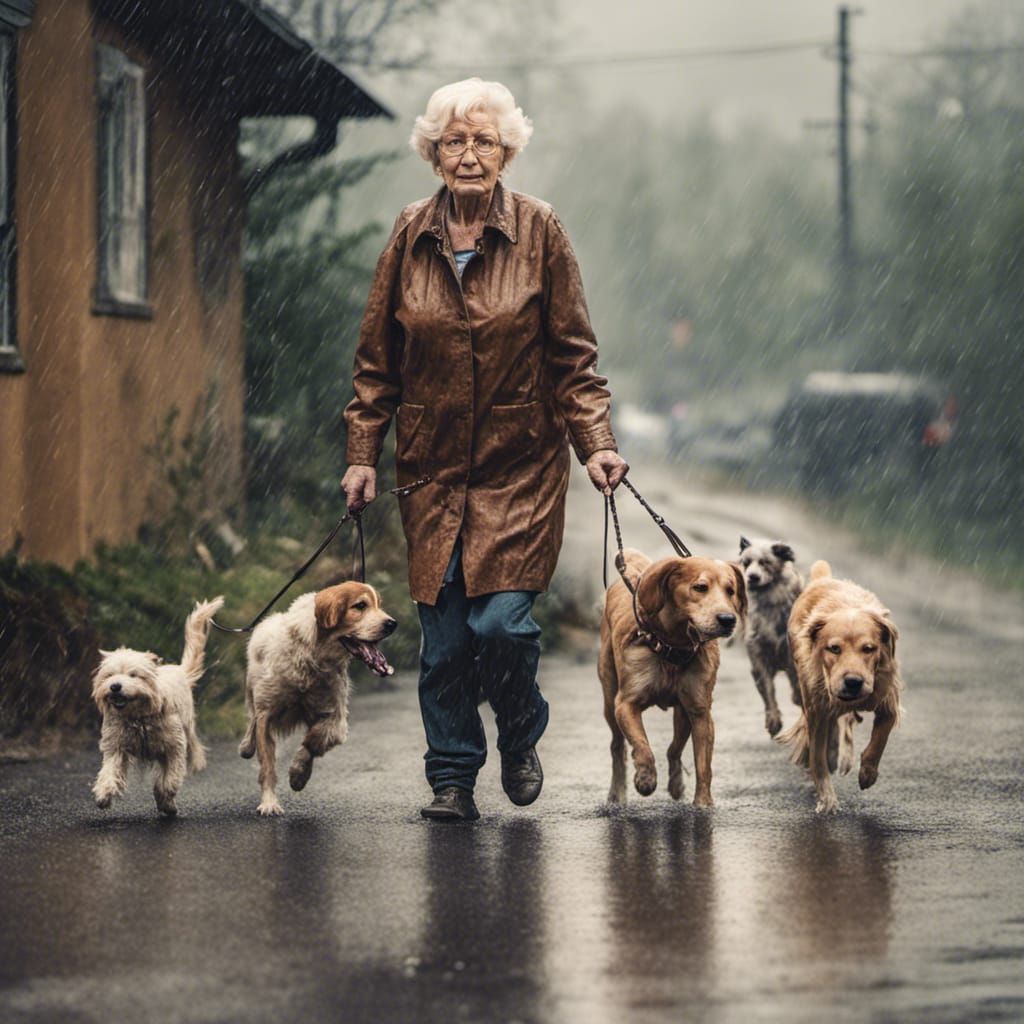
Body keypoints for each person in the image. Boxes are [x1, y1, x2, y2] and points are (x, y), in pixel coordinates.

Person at [341, 78, 627, 822]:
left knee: (500, 627)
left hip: (518, 467)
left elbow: (574, 359)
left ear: (506, 153)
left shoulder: (540, 230)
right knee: (443, 646)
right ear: (433, 154)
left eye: (484, 141)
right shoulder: (409, 233)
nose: (469, 155)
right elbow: (377, 362)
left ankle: (520, 728)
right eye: (454, 142)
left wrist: (595, 443)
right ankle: (452, 780)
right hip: (431, 472)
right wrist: (363, 452)